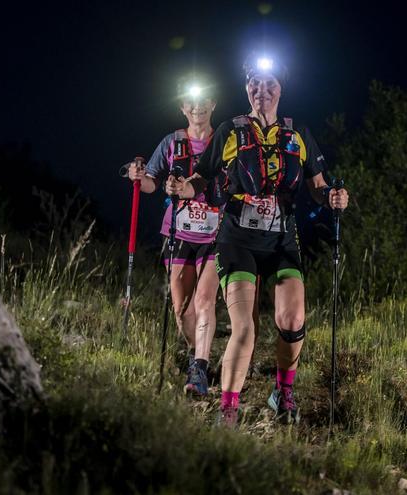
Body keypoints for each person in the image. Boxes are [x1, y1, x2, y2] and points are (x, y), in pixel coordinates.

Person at [166, 55, 349, 425]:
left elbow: (318, 185)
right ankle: (228, 411)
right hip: (237, 239)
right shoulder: (231, 131)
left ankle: (283, 393)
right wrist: (182, 188)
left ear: (281, 89)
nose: (262, 90)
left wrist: (333, 196)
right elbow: (201, 178)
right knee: (245, 327)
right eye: (255, 84)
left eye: (270, 84)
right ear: (246, 87)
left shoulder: (297, 133)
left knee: (292, 320)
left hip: (282, 240)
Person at [125, 75, 220, 396]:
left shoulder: (223, 141)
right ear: (182, 107)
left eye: (203, 100)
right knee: (182, 311)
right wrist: (137, 176)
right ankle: (197, 354)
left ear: (213, 104)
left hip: (215, 233)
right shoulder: (172, 142)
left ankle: (200, 369)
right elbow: (150, 182)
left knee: (205, 300)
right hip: (179, 232)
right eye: (190, 102)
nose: (197, 107)